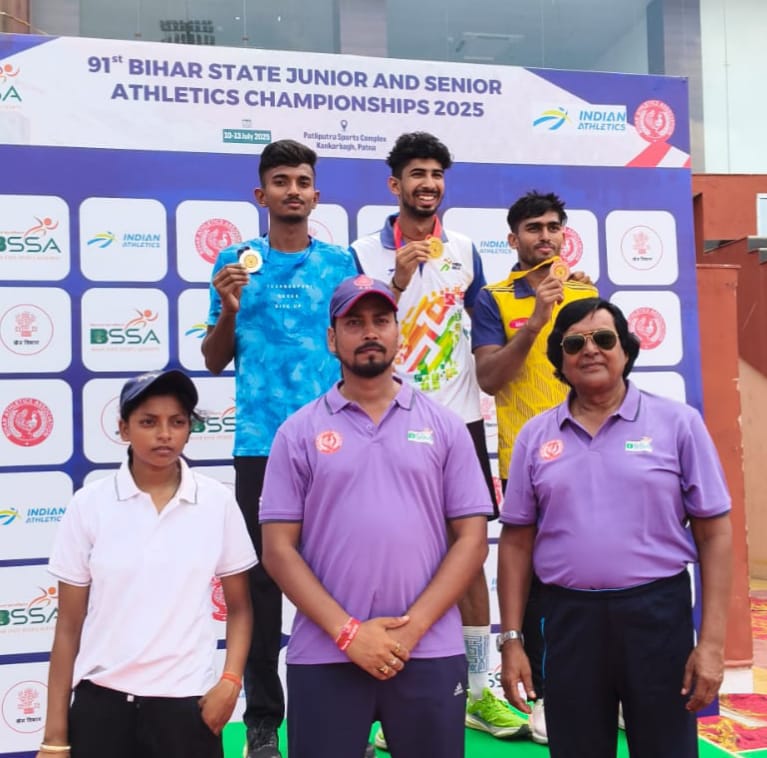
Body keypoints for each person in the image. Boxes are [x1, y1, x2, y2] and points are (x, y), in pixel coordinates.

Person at [259, 275, 494, 758]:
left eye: (381, 320)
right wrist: (348, 633)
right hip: (325, 652)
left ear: (398, 332)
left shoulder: (446, 427)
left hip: (428, 650)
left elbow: (472, 540)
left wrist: (413, 629)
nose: (369, 332)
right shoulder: (296, 433)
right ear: (332, 338)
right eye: (354, 323)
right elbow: (278, 550)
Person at [497, 298, 733, 758]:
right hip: (569, 620)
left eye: (604, 339)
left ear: (626, 349)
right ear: (560, 359)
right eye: (574, 343)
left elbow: (715, 535)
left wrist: (712, 644)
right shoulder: (535, 436)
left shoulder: (678, 424)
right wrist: (511, 640)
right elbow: (516, 542)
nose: (590, 350)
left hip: (657, 617)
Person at [352, 132, 526, 742]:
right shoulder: (361, 252)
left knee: (469, 555)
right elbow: (355, 329)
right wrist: (397, 282)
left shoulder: (466, 249)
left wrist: (551, 280)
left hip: (459, 423)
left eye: (436, 174)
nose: (427, 184)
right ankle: (382, 700)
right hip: (388, 421)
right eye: (416, 174)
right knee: (387, 553)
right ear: (394, 185)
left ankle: (478, 690)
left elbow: (490, 317)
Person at [202, 139, 359, 758]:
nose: (292, 190)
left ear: (316, 194)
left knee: (343, 577)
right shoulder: (235, 262)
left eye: (302, 181)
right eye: (280, 181)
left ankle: (351, 716)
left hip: (336, 442)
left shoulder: (341, 262)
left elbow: (357, 348)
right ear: (260, 194)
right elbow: (214, 360)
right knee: (263, 587)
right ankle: (264, 722)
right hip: (261, 447)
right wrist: (228, 309)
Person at [38, 370, 256, 758]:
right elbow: (68, 626)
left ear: (189, 429)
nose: (164, 434)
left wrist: (230, 681)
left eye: (177, 422)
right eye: (148, 422)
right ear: (124, 429)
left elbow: (240, 608)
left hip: (188, 709)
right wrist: (54, 738)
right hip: (101, 706)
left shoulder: (216, 502)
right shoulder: (89, 505)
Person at [471, 190, 598, 743]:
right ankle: (546, 698)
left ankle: (602, 690)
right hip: (528, 461)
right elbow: (488, 378)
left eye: (552, 227)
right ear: (513, 239)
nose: (544, 237)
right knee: (540, 583)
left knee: (597, 572)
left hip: (592, 455)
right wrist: (537, 319)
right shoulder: (493, 298)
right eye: (532, 228)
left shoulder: (586, 292)